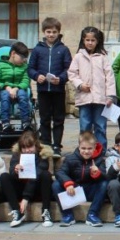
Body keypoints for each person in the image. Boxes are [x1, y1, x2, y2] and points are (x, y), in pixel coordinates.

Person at [27, 17, 72, 158]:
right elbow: (30, 68)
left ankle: (57, 145)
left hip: (58, 90)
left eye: (54, 32)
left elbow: (69, 69)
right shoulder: (37, 50)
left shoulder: (64, 49)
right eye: (48, 32)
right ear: (43, 32)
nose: (51, 35)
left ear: (58, 32)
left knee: (58, 118)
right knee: (45, 118)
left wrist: (62, 78)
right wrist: (36, 76)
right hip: (43, 90)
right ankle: (45, 144)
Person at [68, 27, 116, 152]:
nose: (90, 43)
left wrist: (110, 96)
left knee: (100, 126)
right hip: (84, 98)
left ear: (97, 41)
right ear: (83, 40)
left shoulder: (103, 57)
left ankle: (101, 151)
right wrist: (80, 85)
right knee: (85, 126)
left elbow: (109, 77)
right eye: (87, 40)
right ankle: (84, 150)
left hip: (100, 99)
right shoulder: (78, 57)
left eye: (93, 40)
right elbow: (72, 74)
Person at [0, 131, 54, 228]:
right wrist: (16, 171)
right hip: (21, 187)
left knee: (46, 175)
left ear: (36, 146)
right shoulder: (17, 155)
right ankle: (17, 211)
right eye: (24, 148)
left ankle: (46, 211)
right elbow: (11, 172)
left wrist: (25, 198)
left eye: (30, 147)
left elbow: (37, 175)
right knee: (4, 176)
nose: (27, 150)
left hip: (36, 190)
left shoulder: (43, 156)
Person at [53, 130, 108, 227]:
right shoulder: (71, 158)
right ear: (79, 147)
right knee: (56, 184)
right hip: (74, 191)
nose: (86, 151)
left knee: (104, 183)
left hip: (90, 191)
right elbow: (60, 172)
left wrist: (97, 173)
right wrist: (68, 183)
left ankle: (92, 214)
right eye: (83, 148)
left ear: (95, 147)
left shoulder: (99, 159)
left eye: (89, 148)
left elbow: (105, 175)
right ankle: (67, 215)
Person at [0, 41, 32, 132]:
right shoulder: (0, 65)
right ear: (13, 54)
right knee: (5, 96)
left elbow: (26, 80)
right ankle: (5, 122)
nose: (24, 60)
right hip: (4, 89)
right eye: (22, 57)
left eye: (25, 58)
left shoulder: (24, 67)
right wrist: (7, 87)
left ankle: (25, 121)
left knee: (22, 95)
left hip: (19, 88)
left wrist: (16, 88)